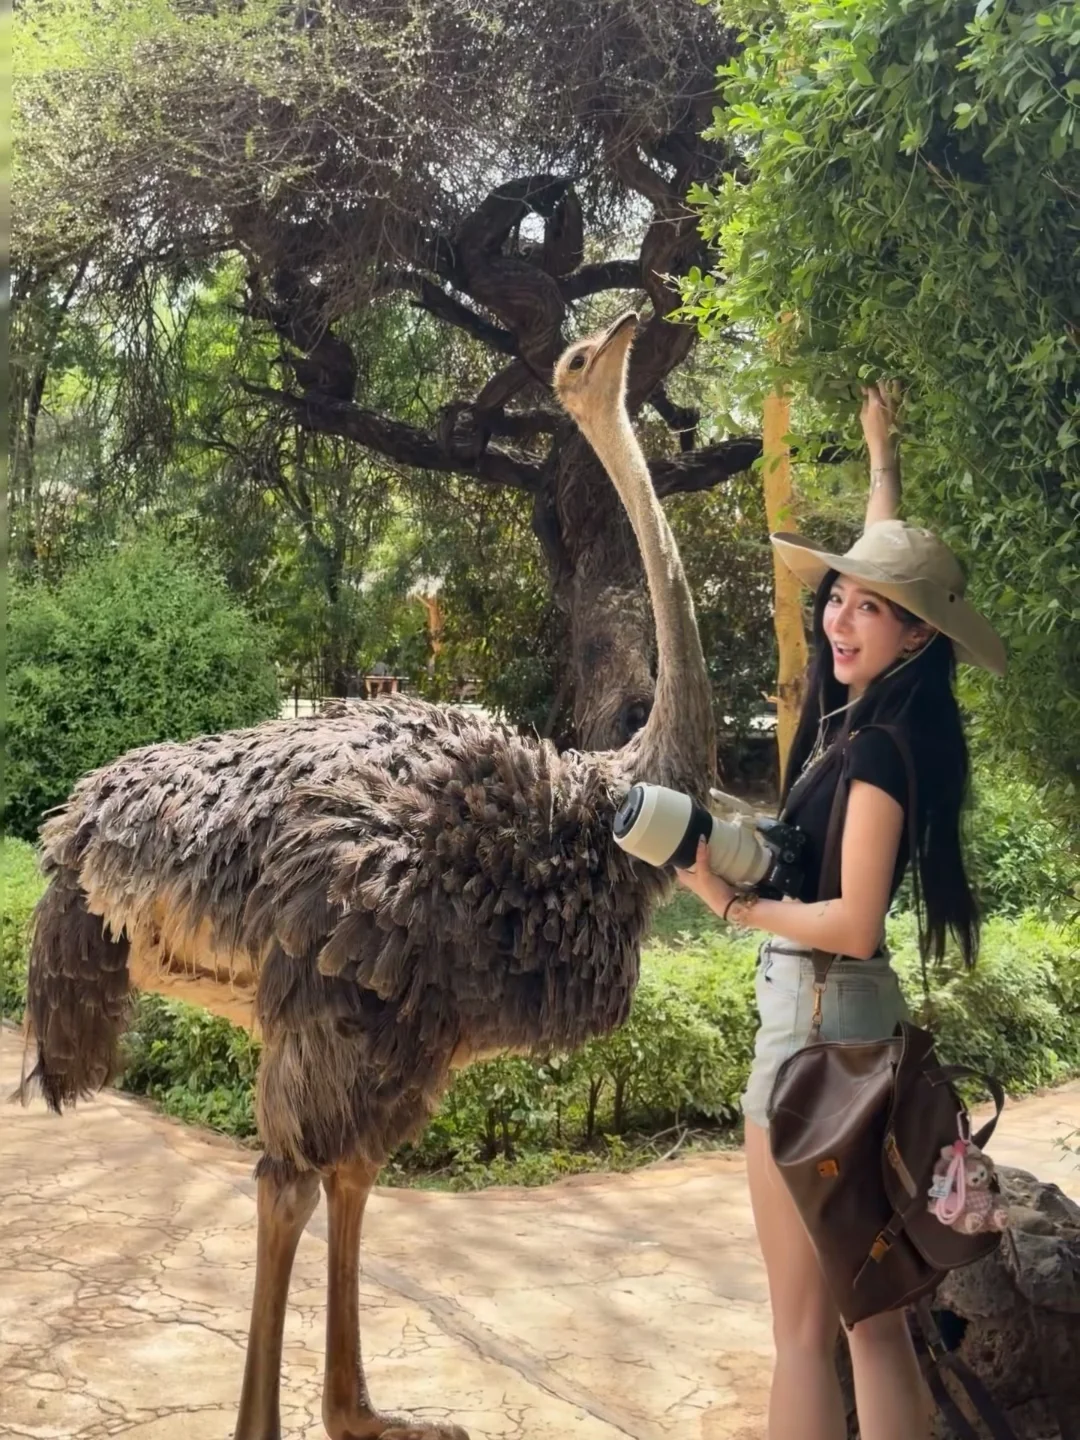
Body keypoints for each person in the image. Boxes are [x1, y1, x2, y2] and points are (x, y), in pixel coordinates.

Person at [675, 383, 1006, 1440]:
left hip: (813, 1038)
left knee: (805, 1332)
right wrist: (881, 460)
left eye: (869, 608)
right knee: (871, 1323)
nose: (839, 617)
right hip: (856, 1033)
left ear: (914, 637)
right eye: (837, 599)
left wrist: (732, 902)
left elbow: (855, 923)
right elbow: (882, 571)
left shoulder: (870, 754)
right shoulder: (876, 727)